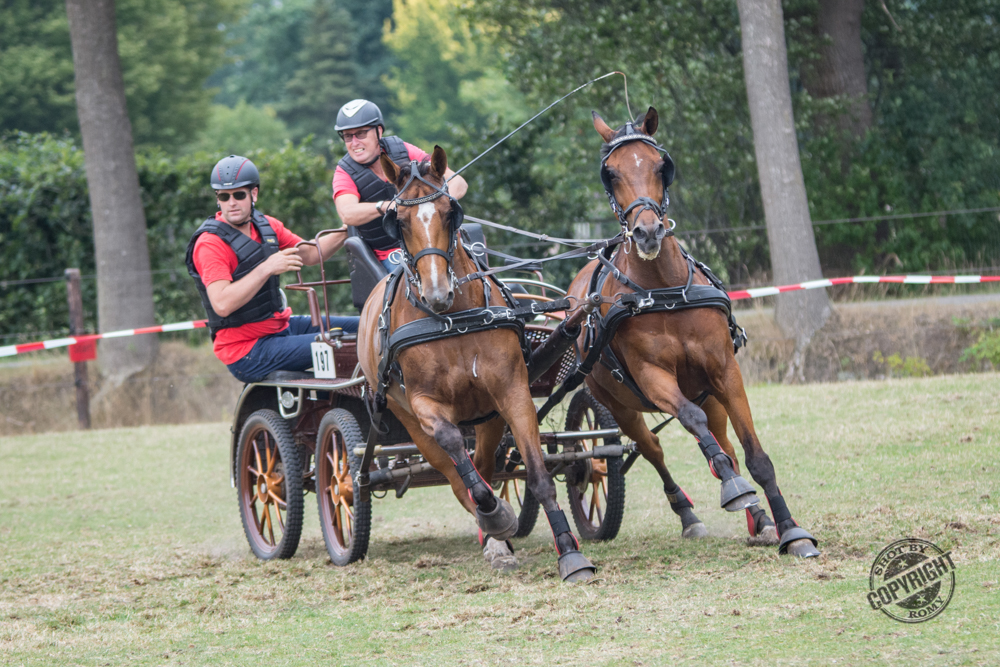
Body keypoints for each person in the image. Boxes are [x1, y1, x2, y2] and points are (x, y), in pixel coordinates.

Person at [186, 155, 359, 384]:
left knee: (366, 327)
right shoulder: (210, 244)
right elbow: (222, 304)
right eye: (224, 197)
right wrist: (267, 268)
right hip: (246, 350)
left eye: (239, 195)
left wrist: (349, 227)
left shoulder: (267, 226)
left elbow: (312, 254)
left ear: (254, 194)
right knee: (345, 345)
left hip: (280, 327)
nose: (232, 203)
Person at [331, 99, 469, 272]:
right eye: (347, 136)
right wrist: (388, 206)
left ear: (378, 131)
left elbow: (459, 182)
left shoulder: (403, 150)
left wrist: (437, 203)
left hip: (434, 241)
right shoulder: (344, 172)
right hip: (391, 253)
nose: (354, 142)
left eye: (361, 134)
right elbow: (347, 213)